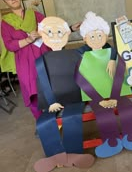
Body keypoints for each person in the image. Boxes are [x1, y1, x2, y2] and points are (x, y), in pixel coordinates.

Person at [75, 11, 132, 158]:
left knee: (128, 108)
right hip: (96, 93)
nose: (96, 39)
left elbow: (118, 52)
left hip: (117, 90)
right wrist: (98, 99)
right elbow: (80, 76)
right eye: (92, 36)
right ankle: (111, 141)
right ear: (85, 38)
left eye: (99, 35)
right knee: (103, 113)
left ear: (106, 36)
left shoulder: (111, 50)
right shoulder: (82, 53)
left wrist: (112, 59)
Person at [34, 16, 94, 172]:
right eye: (49, 32)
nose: (55, 36)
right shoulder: (41, 60)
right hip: (52, 100)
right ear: (42, 34)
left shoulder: (75, 54)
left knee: (71, 117)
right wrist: (51, 101)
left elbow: (84, 73)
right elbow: (43, 82)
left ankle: (73, 154)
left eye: (59, 32)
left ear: (67, 33)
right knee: (44, 123)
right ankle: (55, 156)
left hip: (75, 96)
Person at [0, 0, 51, 120]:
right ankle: (41, 122)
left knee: (49, 87)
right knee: (32, 92)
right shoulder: (6, 23)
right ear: (4, 1)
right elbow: (10, 45)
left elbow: (51, 30)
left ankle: (57, 119)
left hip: (42, 56)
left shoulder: (35, 15)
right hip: (24, 62)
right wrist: (28, 39)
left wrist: (70, 29)